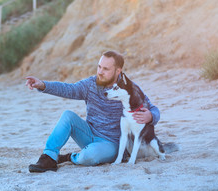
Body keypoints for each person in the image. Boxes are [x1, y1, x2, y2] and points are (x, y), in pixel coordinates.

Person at [25, 51, 160, 172]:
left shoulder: (129, 89)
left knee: (90, 156)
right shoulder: (90, 84)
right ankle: (49, 157)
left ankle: (69, 157)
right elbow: (69, 89)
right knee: (67, 116)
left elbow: (154, 109)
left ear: (118, 71)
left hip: (111, 143)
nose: (100, 72)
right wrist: (43, 85)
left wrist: (150, 116)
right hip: (88, 134)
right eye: (99, 67)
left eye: (106, 69)